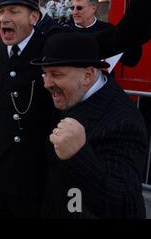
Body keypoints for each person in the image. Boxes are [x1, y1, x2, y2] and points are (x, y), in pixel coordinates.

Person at [0, 0, 151, 218]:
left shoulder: (57, 46)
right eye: (2, 10)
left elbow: (127, 35)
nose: (5, 17)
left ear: (34, 16)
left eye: (15, 10)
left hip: (42, 187)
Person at [31, 32, 147, 218]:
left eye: (56, 74)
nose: (46, 83)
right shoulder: (72, 94)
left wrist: (78, 154)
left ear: (87, 75)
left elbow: (123, 204)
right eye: (45, 73)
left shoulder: (123, 122)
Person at [69, 0, 142, 67]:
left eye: (79, 8)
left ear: (93, 9)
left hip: (104, 77)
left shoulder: (108, 30)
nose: (74, 12)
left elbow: (131, 59)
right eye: (72, 8)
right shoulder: (65, 32)